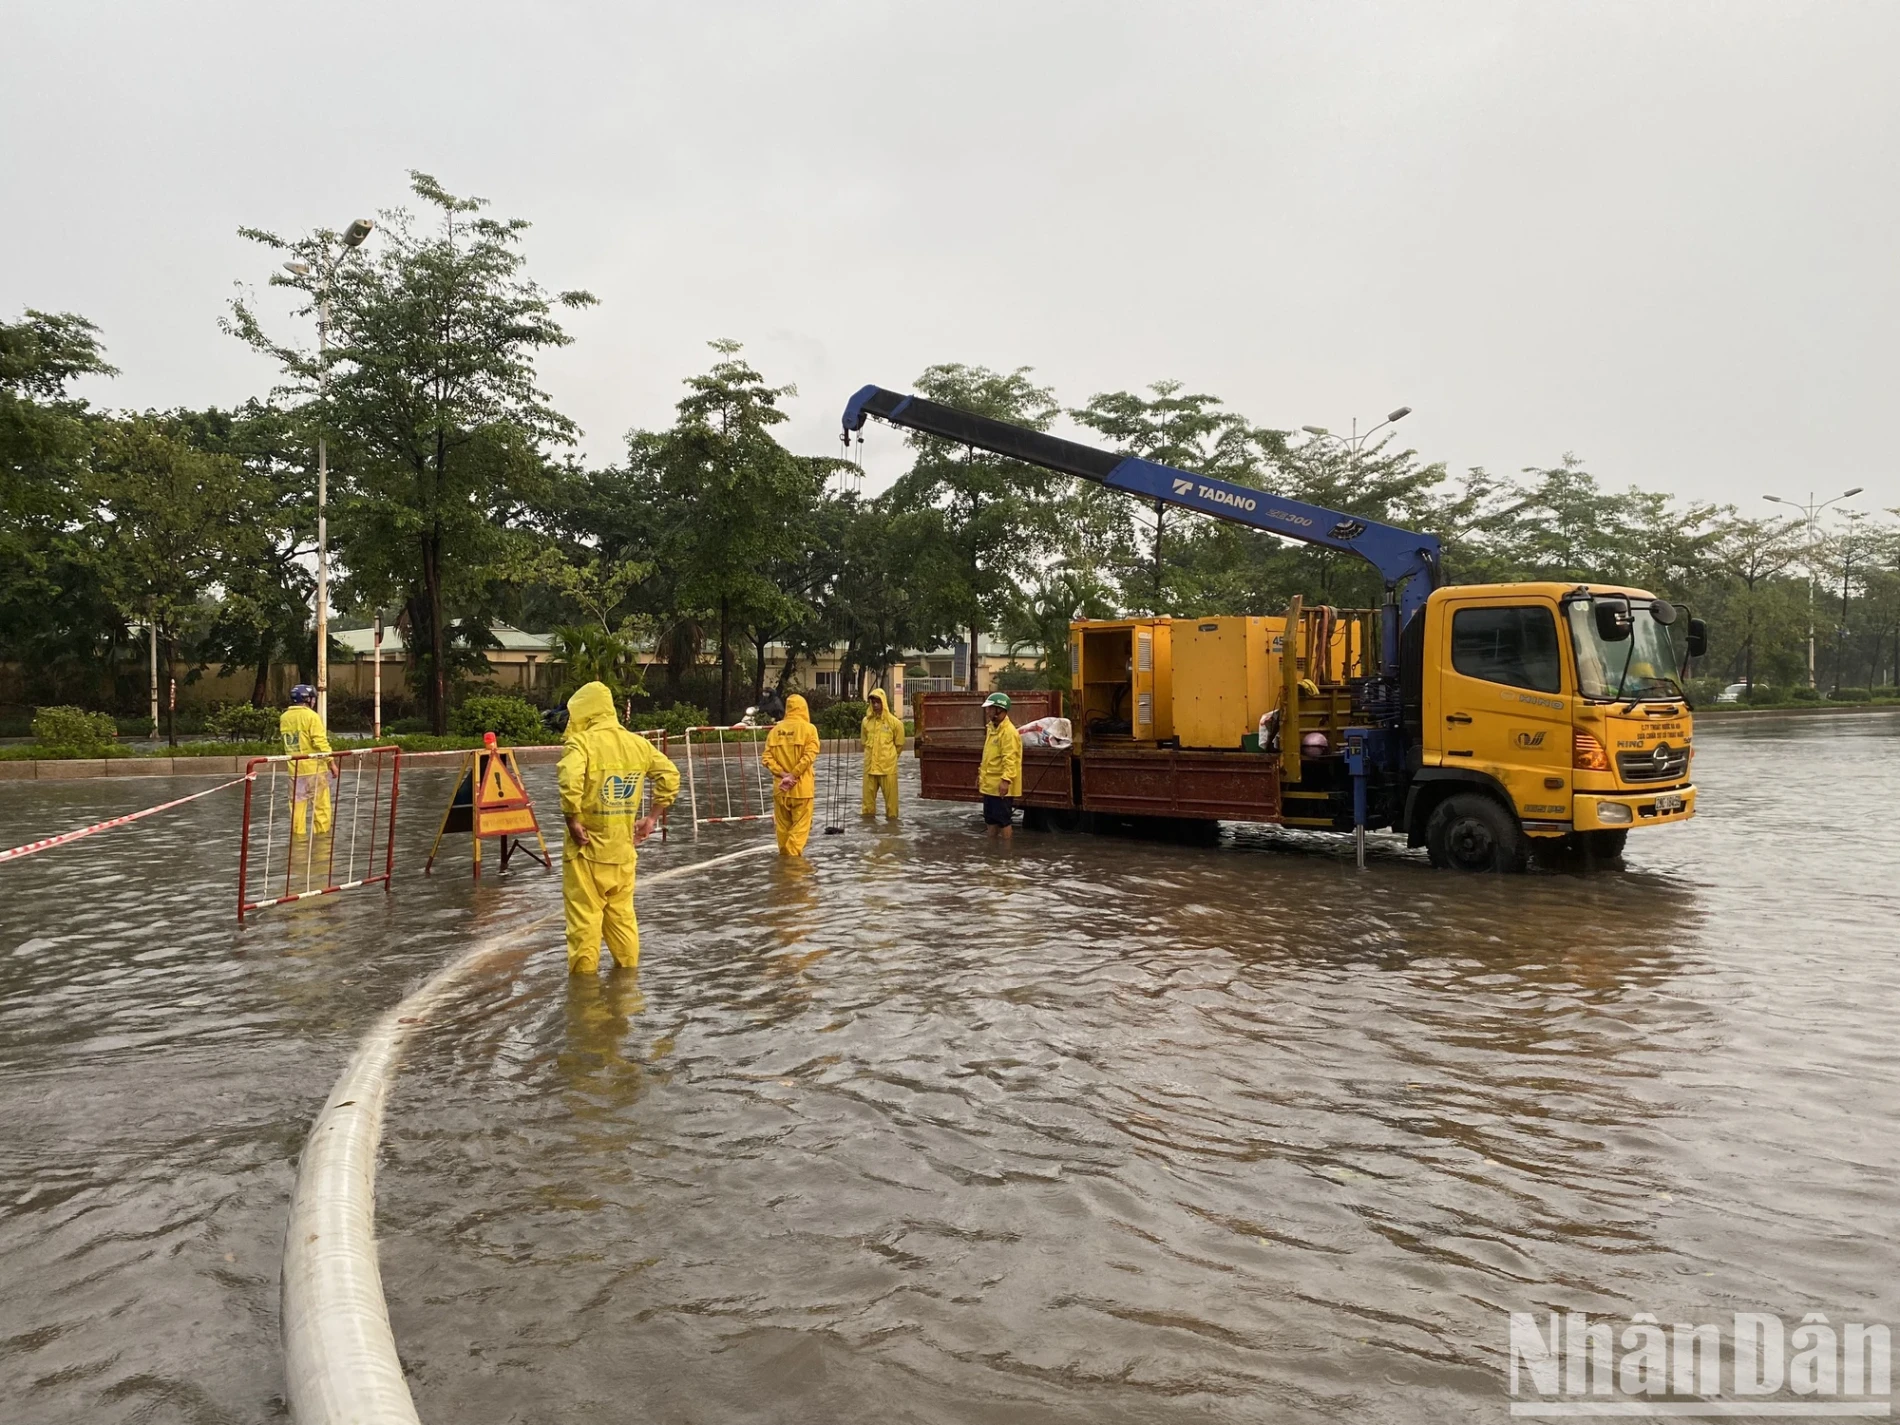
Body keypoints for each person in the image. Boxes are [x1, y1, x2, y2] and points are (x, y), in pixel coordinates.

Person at [557, 680, 680, 975]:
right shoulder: (637, 745)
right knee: (623, 922)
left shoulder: (581, 743)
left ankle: (584, 1000)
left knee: (584, 925)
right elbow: (670, 777)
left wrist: (572, 819)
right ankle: (626, 987)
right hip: (623, 852)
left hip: (586, 853)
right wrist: (652, 819)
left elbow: (569, 779)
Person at [762, 693, 820, 856]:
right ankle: (791, 868)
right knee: (800, 830)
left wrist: (782, 774)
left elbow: (766, 758)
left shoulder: (775, 731)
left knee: (783, 830)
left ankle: (783, 869)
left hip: (781, 790)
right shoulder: (809, 730)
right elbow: (810, 756)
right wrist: (793, 775)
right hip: (801, 790)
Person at [279, 684, 333, 837]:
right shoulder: (311, 716)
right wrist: (332, 762)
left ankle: (298, 845)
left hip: (295, 771)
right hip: (315, 770)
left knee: (297, 810)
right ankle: (322, 843)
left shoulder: (284, 717)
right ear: (308, 700)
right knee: (321, 810)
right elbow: (320, 743)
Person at [977, 691, 1022, 840]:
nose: (987, 711)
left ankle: (1006, 853)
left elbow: (1010, 760)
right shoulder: (992, 729)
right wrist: (980, 775)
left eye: (990, 708)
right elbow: (988, 757)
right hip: (989, 785)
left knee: (1004, 821)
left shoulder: (1008, 733)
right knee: (990, 819)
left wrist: (1006, 781)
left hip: (1001, 787)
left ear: (999, 710)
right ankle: (992, 851)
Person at [859, 688, 904, 819]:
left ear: (883, 702)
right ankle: (868, 831)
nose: (876, 705)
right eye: (873, 702)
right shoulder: (866, 722)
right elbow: (864, 742)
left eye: (878, 702)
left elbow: (899, 745)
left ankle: (891, 831)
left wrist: (889, 758)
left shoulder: (895, 723)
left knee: (892, 807)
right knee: (867, 806)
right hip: (870, 768)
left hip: (887, 769)